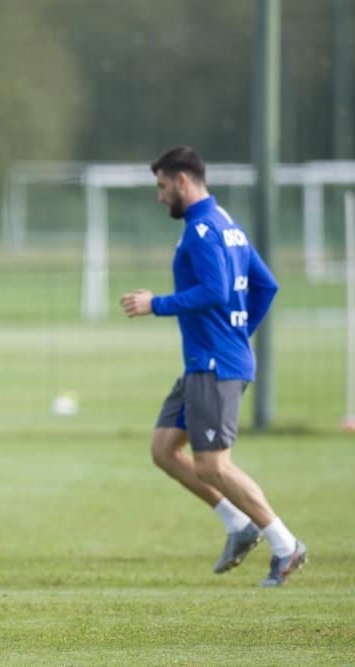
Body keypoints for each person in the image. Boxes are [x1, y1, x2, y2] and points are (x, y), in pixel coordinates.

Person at [120, 146, 307, 588]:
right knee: (164, 449)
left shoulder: (203, 229)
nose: (161, 196)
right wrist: (239, 332)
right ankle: (237, 524)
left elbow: (216, 290)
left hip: (214, 366)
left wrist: (156, 304)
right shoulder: (228, 226)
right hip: (206, 362)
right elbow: (266, 285)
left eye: (163, 187)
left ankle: (285, 545)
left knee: (213, 466)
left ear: (183, 181)